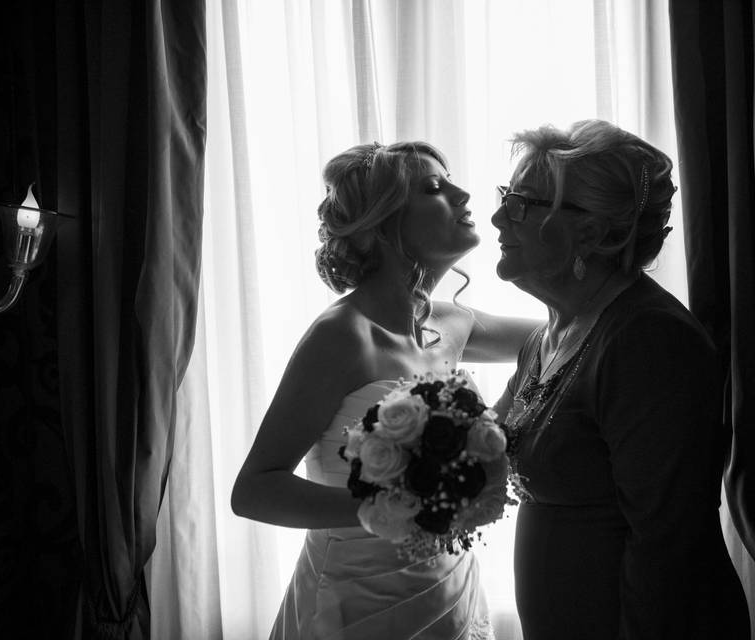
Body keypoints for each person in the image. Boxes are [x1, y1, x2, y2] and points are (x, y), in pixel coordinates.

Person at [231, 141, 539, 640]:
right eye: (434, 188)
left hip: (448, 590)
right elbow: (254, 491)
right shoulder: (341, 336)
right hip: (356, 603)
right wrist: (391, 508)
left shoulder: (451, 324)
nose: (462, 194)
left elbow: (559, 336)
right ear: (381, 225)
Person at [490, 120, 750, 639]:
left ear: (591, 231)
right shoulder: (552, 331)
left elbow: (667, 545)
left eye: (522, 203)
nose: (499, 217)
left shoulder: (649, 340)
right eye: (506, 196)